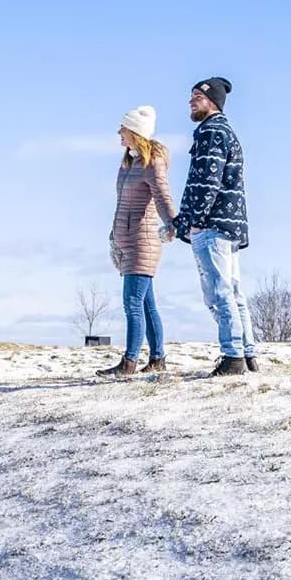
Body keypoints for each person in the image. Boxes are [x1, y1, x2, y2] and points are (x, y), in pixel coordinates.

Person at [172, 76, 257, 377]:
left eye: (197, 96)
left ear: (213, 102)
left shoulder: (211, 132)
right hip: (229, 224)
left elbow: (206, 182)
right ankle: (247, 353)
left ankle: (232, 356)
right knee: (233, 291)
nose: (191, 101)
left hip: (212, 225)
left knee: (218, 292)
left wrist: (191, 221)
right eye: (191, 95)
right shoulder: (224, 132)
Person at [98, 105, 180, 378]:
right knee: (147, 304)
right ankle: (157, 358)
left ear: (135, 132)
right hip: (126, 240)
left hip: (142, 242)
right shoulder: (129, 162)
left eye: (123, 128)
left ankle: (129, 362)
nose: (119, 132)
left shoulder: (151, 163)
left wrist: (173, 224)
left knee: (132, 303)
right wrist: (114, 234)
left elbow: (163, 197)